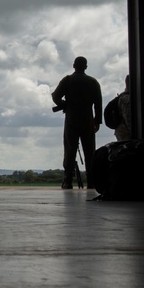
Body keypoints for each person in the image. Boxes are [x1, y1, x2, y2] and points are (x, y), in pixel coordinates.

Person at [51, 56, 103, 189]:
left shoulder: (67, 80)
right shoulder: (93, 82)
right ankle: (91, 181)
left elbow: (55, 96)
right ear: (86, 67)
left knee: (69, 150)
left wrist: (63, 104)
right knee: (90, 151)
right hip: (87, 119)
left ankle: (68, 180)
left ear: (74, 66)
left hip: (72, 119)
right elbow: (98, 104)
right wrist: (97, 121)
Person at [114, 74, 133, 142]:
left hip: (122, 132)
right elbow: (128, 118)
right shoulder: (126, 99)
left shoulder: (125, 97)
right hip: (126, 134)